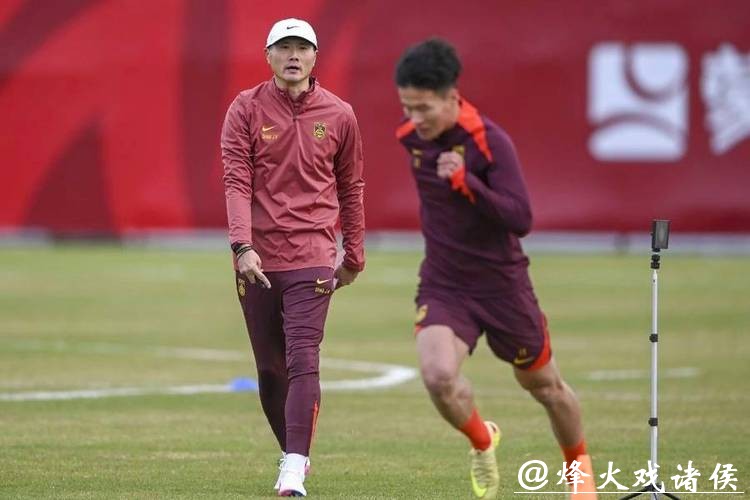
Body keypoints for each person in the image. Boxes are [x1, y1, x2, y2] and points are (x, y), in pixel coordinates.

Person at [394, 39, 597, 499]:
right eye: (407, 107)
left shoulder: (489, 141)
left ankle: (581, 478)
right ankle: (483, 440)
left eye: (424, 108)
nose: (415, 119)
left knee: (545, 388)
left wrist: (466, 182)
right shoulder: (411, 138)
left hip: (502, 286)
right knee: (438, 377)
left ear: (452, 97)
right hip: (445, 283)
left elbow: (521, 218)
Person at [221, 18, 365, 497]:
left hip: (314, 255)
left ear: (315, 56)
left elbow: (351, 187)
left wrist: (354, 254)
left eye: (302, 47)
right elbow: (236, 181)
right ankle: (294, 454)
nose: (293, 56)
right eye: (283, 48)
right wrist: (242, 246)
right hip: (258, 259)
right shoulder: (245, 108)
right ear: (268, 56)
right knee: (270, 369)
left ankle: (293, 467)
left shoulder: (340, 114)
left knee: (304, 359)